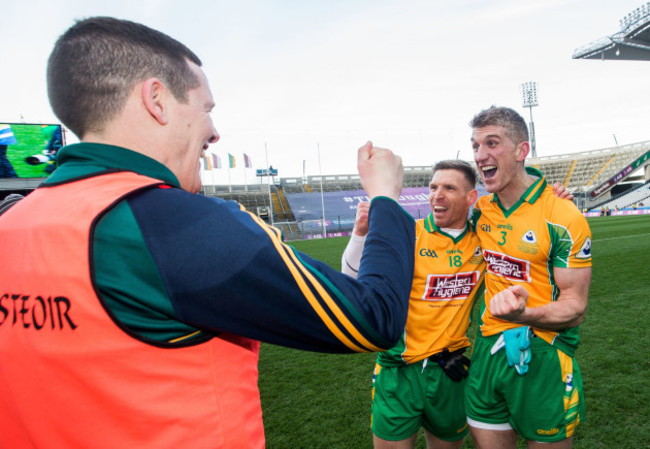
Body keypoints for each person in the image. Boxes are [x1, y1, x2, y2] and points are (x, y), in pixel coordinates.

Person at [0, 17, 417, 448]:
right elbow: (374, 319)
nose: (214, 132)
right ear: (157, 99)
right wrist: (385, 196)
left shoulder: (12, 223)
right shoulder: (177, 223)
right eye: (206, 109)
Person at [467, 106, 592, 449]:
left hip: (544, 353)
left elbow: (575, 307)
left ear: (521, 151)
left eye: (492, 143)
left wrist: (523, 315)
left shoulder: (562, 215)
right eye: (475, 146)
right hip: (486, 352)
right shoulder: (481, 211)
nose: (481, 155)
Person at [342, 160, 486, 449]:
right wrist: (360, 233)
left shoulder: (485, 238)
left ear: (471, 198)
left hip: (450, 371)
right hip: (398, 371)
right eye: (433, 187)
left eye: (449, 188)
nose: (437, 195)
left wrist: (552, 200)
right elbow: (352, 282)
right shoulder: (408, 233)